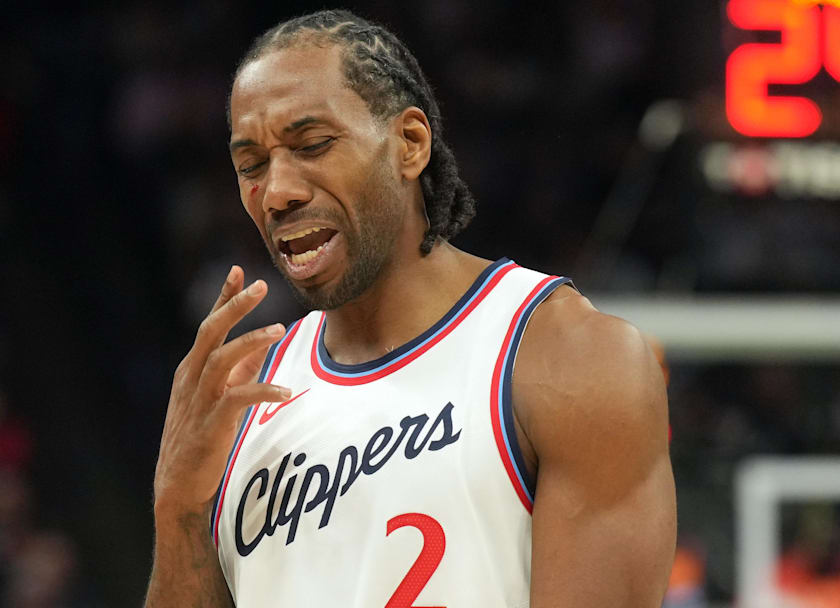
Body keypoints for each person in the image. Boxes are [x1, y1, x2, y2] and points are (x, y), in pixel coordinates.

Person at [146, 9, 675, 607]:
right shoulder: (244, 397)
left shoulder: (565, 356)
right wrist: (180, 511)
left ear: (410, 143)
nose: (277, 192)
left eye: (312, 145)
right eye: (251, 165)